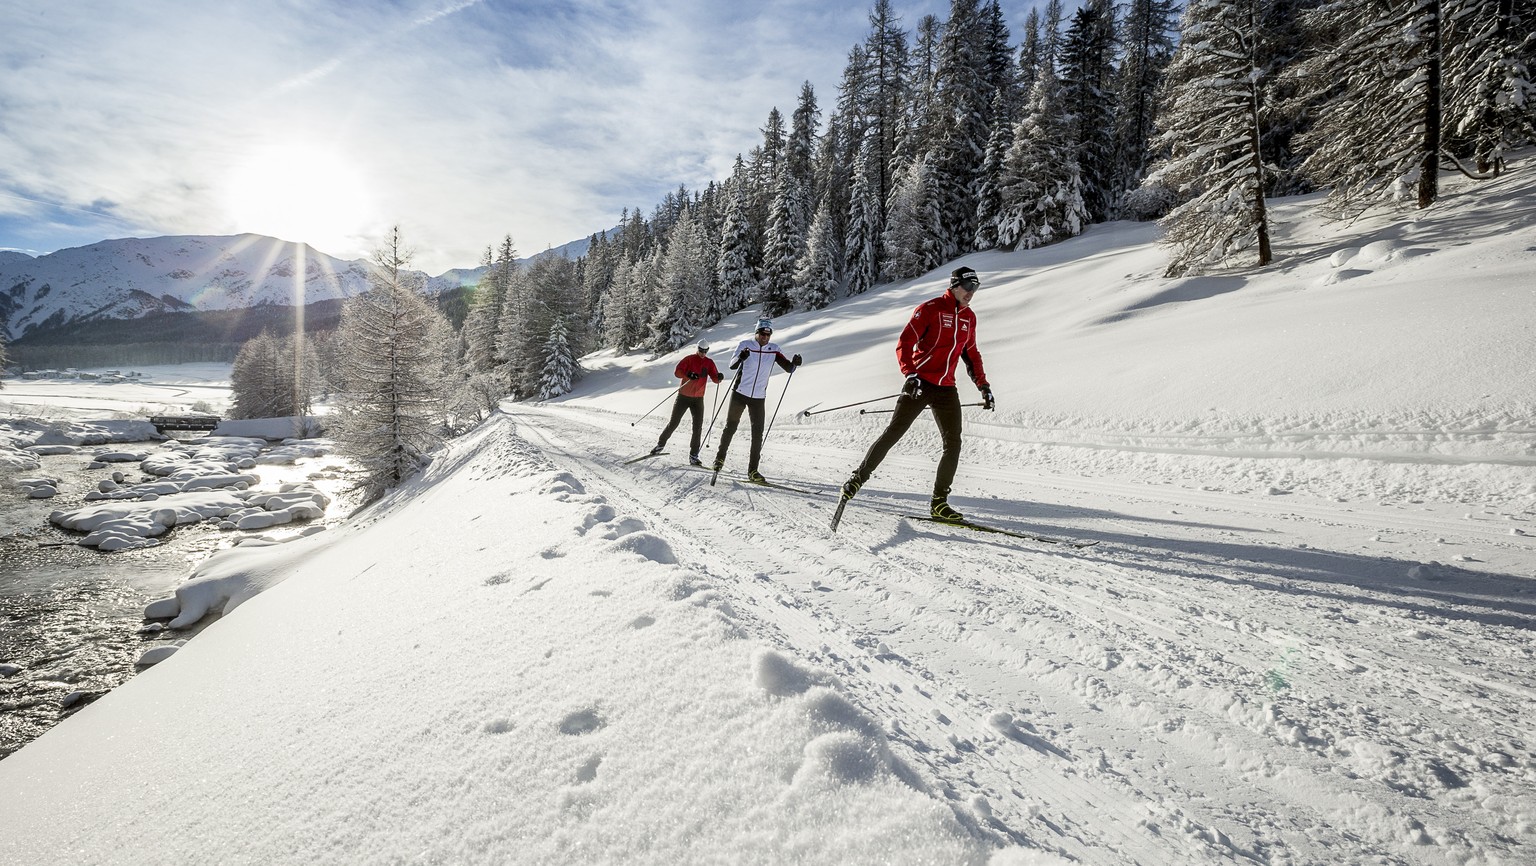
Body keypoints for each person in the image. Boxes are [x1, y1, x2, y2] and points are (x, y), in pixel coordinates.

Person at [840, 266, 994, 521]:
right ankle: (857, 479)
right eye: (968, 287)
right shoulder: (930, 309)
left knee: (953, 443)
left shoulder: (969, 317)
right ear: (955, 286)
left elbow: (971, 354)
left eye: (975, 288)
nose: (971, 293)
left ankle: (939, 502)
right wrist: (909, 374)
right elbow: (905, 342)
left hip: (946, 388)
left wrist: (983, 385)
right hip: (920, 382)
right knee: (894, 432)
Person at [712, 318, 802, 483]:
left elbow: (788, 368)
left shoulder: (773, 350)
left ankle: (753, 471)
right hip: (740, 392)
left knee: (757, 434)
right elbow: (732, 365)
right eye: (762, 333)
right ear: (757, 333)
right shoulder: (745, 345)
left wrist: (795, 363)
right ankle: (719, 459)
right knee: (730, 427)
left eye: (768, 334)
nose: (765, 337)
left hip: (758, 397)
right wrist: (742, 357)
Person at [651, 341, 724, 466]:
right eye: (701, 351)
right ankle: (660, 445)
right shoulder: (689, 359)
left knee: (697, 427)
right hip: (683, 397)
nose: (703, 353)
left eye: (705, 351)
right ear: (698, 349)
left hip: (698, 399)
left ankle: (694, 455)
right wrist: (688, 374)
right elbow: (677, 372)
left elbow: (715, 378)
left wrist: (719, 377)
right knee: (674, 422)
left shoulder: (709, 363)